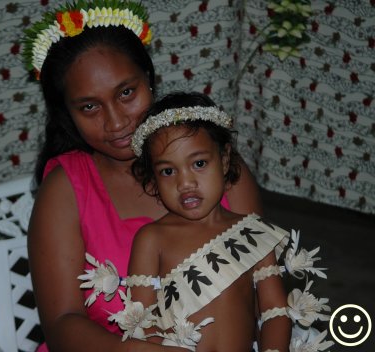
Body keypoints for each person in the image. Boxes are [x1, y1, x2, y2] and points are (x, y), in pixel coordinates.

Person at [24, 0, 262, 351]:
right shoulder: (65, 189)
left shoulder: (218, 170)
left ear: (149, 80)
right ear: (67, 113)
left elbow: (258, 295)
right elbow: (61, 324)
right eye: (89, 106)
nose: (117, 122)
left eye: (126, 93)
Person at [93, 92, 291, 351]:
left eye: (198, 163)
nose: (185, 183)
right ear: (152, 178)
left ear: (224, 160)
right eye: (168, 171)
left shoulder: (252, 231)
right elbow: (140, 323)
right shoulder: (152, 239)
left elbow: (275, 312)